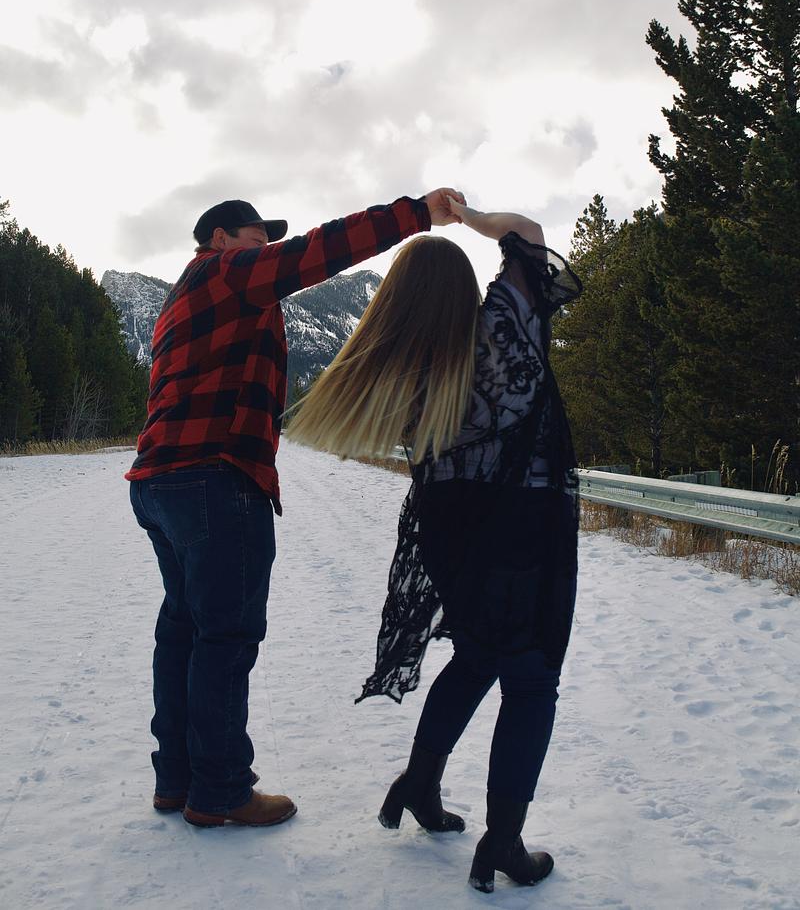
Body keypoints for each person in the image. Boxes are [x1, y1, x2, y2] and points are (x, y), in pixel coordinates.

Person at [126, 189, 465, 828]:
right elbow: (317, 252)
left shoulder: (179, 301)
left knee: (184, 630)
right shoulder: (226, 273)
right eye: (258, 238)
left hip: (161, 479)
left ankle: (177, 778)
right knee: (225, 637)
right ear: (221, 239)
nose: (267, 249)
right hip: (216, 476)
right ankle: (220, 790)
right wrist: (417, 214)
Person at [288, 200, 582, 891]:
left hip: (450, 533)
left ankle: (418, 783)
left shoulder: (405, 369)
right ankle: (503, 842)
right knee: (531, 681)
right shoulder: (503, 328)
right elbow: (530, 234)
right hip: (525, 527)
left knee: (477, 656)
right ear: (463, 290)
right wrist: (468, 215)